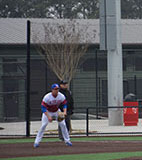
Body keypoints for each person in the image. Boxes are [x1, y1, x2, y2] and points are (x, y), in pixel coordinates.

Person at [34, 83, 72, 148]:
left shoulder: (61, 96)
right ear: (52, 90)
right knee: (43, 125)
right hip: (47, 112)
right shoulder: (47, 97)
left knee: (63, 124)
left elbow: (64, 104)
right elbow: (43, 108)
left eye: (57, 89)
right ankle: (37, 142)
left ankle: (67, 141)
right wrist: (48, 117)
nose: (56, 90)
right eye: (55, 89)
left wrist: (65, 112)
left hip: (57, 111)